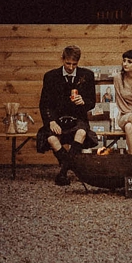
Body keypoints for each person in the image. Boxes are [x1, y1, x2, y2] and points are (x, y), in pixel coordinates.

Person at [36, 45, 97, 185]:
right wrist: (50, 121)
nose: (70, 67)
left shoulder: (87, 75)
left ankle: (63, 173)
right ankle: (72, 167)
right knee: (51, 139)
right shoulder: (50, 76)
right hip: (56, 119)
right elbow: (44, 104)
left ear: (78, 62)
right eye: (68, 63)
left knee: (81, 132)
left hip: (78, 119)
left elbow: (92, 102)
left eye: (74, 64)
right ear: (62, 59)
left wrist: (83, 102)